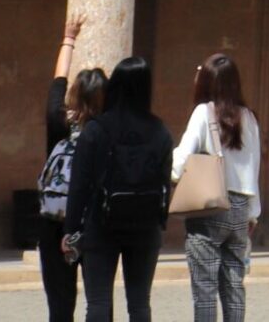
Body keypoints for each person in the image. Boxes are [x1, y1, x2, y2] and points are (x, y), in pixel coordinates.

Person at [65, 55, 174, 322]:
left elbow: (79, 184)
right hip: (145, 225)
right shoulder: (159, 130)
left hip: (102, 223)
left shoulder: (96, 129)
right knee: (139, 304)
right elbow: (164, 183)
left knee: (98, 303)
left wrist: (70, 230)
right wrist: (160, 220)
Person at [174, 52, 262, 322]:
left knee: (205, 289)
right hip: (241, 207)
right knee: (234, 284)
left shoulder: (204, 112)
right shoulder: (250, 117)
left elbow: (181, 159)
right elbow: (254, 165)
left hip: (211, 206)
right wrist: (253, 213)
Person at [39, 17, 97, 322]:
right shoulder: (105, 131)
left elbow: (57, 81)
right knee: (98, 301)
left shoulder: (58, 120)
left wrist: (69, 39)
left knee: (60, 305)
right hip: (93, 222)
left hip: (53, 223)